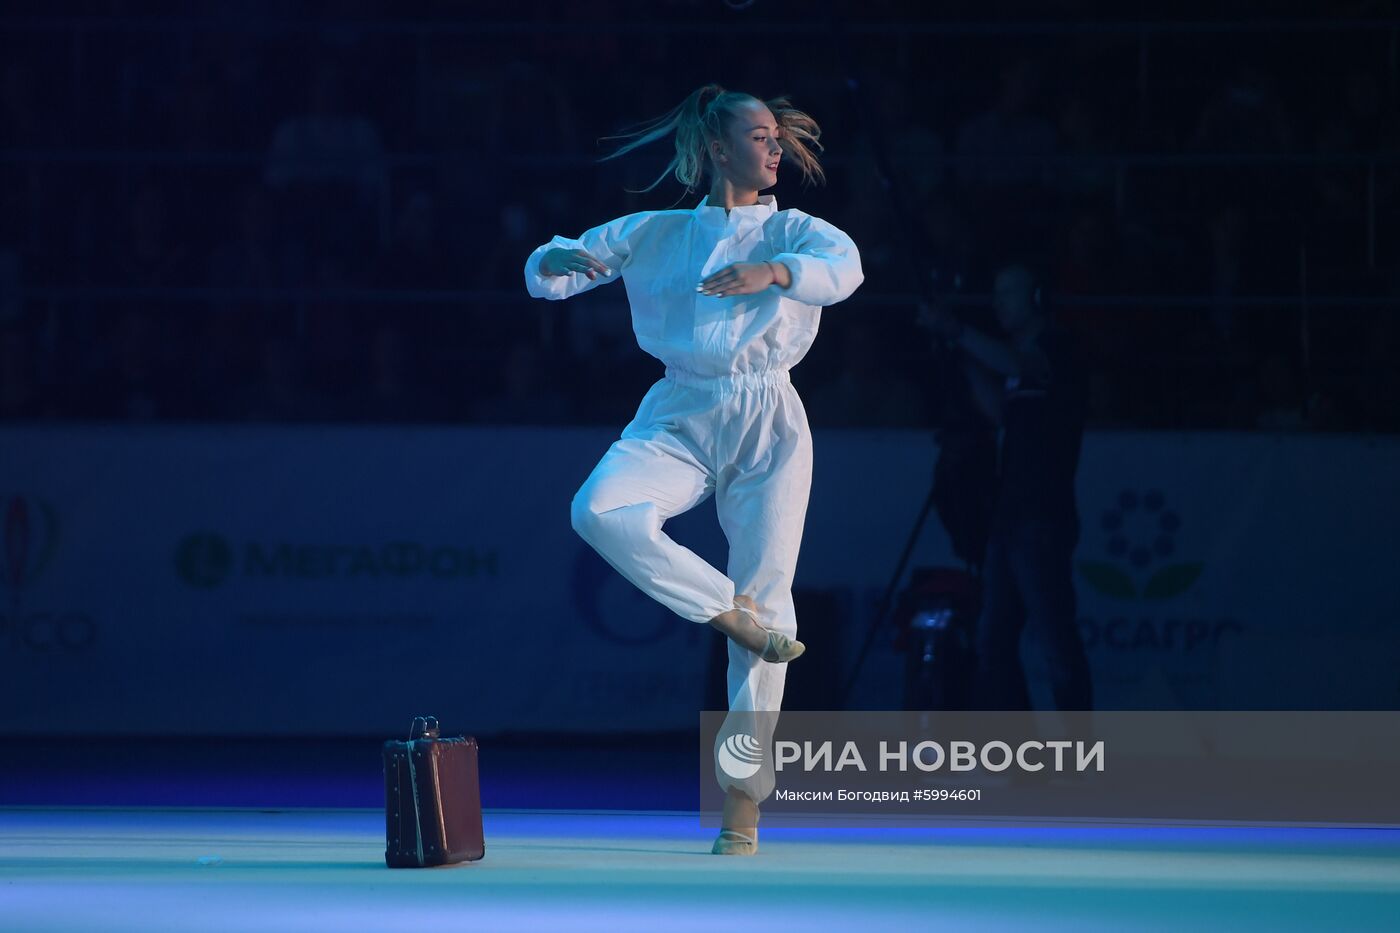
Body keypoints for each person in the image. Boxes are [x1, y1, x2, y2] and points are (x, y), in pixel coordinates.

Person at [524, 84, 863, 854]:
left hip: (768, 417)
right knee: (598, 509)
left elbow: (844, 268)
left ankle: (742, 804)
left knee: (770, 600)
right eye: (759, 135)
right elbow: (556, 271)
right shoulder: (658, 231)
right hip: (678, 411)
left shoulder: (794, 230)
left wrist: (774, 275)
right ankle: (723, 608)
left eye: (777, 135)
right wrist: (551, 257)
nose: (775, 148)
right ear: (718, 149)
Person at [919, 264, 1092, 715]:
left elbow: (1019, 366)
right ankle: (1018, 756)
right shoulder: (1017, 362)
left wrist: (956, 331)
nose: (998, 303)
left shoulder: (1054, 347)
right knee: (993, 640)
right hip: (1010, 516)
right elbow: (999, 410)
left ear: (1037, 298)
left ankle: (1077, 758)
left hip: (1042, 517)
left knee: (1054, 639)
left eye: (1009, 293)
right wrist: (959, 351)